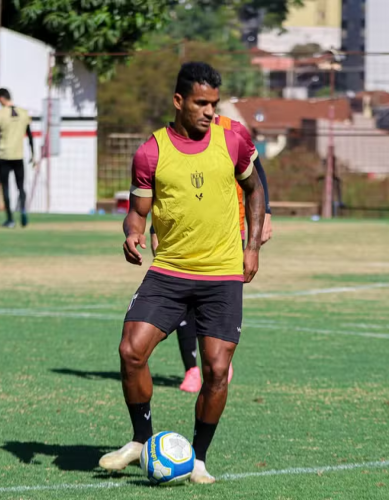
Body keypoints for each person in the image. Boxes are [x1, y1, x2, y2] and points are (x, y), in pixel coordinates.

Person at [99, 62, 265, 484]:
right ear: (178, 101)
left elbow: (255, 188)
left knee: (215, 370)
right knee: (130, 350)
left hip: (223, 274)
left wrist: (252, 245)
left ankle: (200, 460)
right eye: (200, 103)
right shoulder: (151, 151)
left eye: (214, 103)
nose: (210, 111)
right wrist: (133, 234)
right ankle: (140, 439)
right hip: (169, 271)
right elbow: (137, 213)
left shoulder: (232, 140)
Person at [149, 115, 273, 393]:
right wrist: (153, 228)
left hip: (229, 231)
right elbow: (166, 187)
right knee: (184, 298)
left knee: (212, 297)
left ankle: (215, 360)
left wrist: (266, 214)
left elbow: (257, 175)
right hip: (184, 233)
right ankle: (191, 369)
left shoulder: (234, 131)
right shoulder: (173, 136)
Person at [0, 88, 34, 228]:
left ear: (2, 99)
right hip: (18, 155)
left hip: (4, 155)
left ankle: (10, 219)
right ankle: (22, 210)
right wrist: (33, 154)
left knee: (6, 187)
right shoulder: (23, 113)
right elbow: (30, 135)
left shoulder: (1, 114)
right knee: (21, 187)